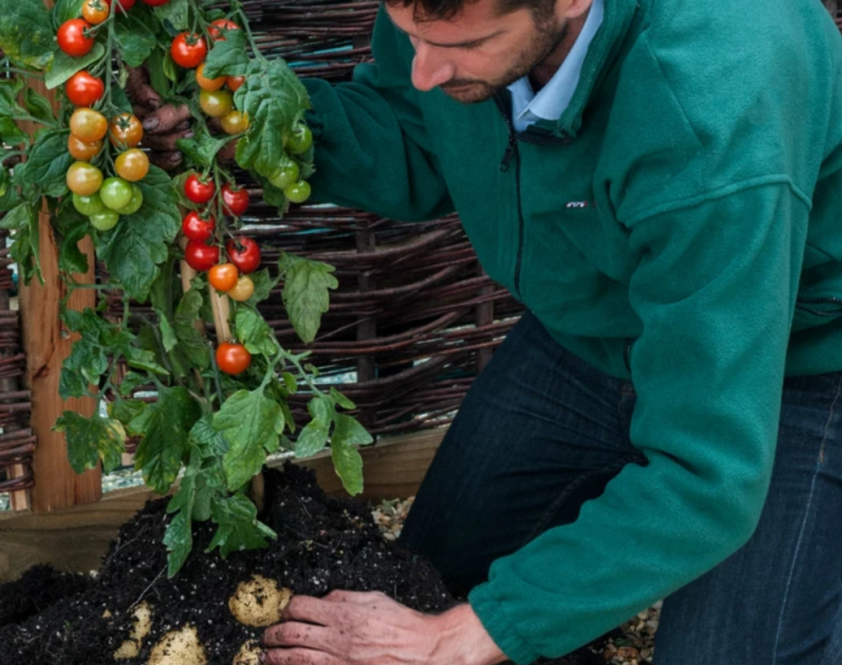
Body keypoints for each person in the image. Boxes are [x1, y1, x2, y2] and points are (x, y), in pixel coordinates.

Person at [133, 0, 842, 662]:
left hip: (797, 359)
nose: (424, 71)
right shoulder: (445, 22)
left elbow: (707, 469)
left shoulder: (711, 100)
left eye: (464, 45)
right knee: (425, 578)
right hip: (588, 331)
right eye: (409, 33)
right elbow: (415, 133)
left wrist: (463, 637)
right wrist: (237, 132)